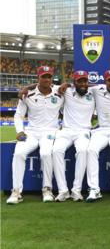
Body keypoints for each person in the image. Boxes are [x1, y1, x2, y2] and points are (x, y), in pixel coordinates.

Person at [6, 66, 63, 204]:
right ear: (38, 78)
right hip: (31, 132)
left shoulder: (59, 92)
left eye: (49, 76)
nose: (46, 79)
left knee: (45, 153)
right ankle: (16, 191)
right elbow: (18, 115)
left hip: (50, 132)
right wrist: (19, 131)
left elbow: (77, 87)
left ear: (52, 78)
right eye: (43, 76)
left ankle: (47, 189)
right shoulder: (27, 94)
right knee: (19, 153)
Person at [52, 70, 95, 202]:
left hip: (83, 131)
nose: (82, 84)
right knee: (56, 151)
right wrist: (27, 87)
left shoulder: (94, 93)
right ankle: (63, 190)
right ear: (74, 82)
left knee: (82, 151)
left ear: (88, 82)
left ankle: (76, 190)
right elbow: (44, 86)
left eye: (85, 81)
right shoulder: (67, 91)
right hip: (66, 130)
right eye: (79, 81)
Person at [85, 70, 110, 201]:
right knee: (91, 150)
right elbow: (80, 85)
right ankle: (94, 189)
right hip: (101, 130)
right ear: (105, 81)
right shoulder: (97, 90)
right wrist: (28, 87)